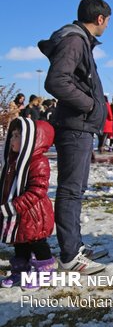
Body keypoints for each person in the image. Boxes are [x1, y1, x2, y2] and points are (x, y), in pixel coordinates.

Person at [39, 0, 110, 273]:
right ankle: (69, 256)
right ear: (100, 19)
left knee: (76, 190)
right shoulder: (75, 40)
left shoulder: (80, 40)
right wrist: (90, 105)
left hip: (80, 126)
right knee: (70, 191)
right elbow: (56, 81)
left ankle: (75, 244)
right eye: (108, 21)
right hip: (75, 126)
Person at [0, 118, 56, 290]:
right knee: (20, 242)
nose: (12, 140)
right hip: (18, 215)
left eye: (17, 136)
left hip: (34, 214)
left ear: (32, 140)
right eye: (12, 135)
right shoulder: (11, 162)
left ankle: (46, 273)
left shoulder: (38, 162)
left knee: (37, 243)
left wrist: (14, 206)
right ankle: (20, 271)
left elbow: (37, 190)